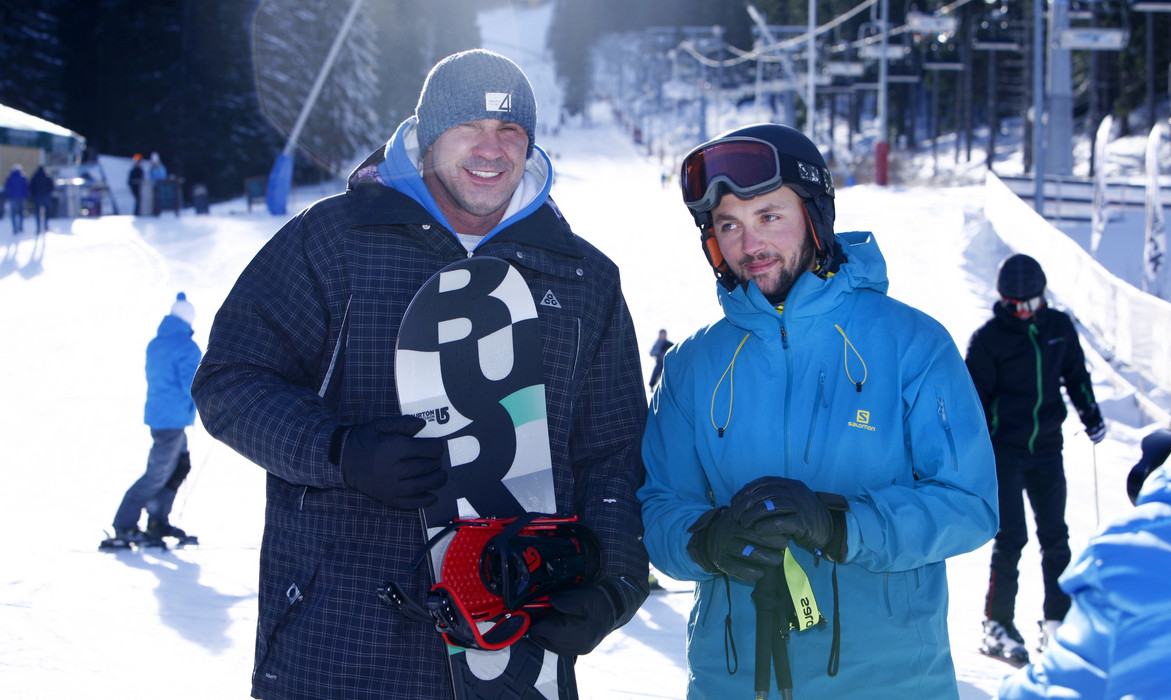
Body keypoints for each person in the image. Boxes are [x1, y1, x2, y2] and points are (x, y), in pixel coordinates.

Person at [191, 48, 649, 700]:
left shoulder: (582, 277)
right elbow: (231, 380)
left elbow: (614, 451)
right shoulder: (334, 240)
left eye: (510, 130)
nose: (491, 149)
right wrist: (339, 450)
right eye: (469, 127)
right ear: (430, 136)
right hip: (337, 643)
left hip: (511, 648)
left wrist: (613, 584)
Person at [638, 122, 999, 699]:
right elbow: (658, 508)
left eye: (769, 216)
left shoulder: (911, 344)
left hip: (890, 683)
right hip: (733, 681)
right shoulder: (692, 365)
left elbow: (970, 503)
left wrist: (843, 525)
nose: (749, 244)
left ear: (814, 215)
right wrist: (705, 539)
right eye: (729, 225)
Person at [965, 253, 1106, 665]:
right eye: (1015, 305)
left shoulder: (1058, 327)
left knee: (1055, 537)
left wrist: (1091, 415)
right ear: (1004, 300)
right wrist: (972, 450)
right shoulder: (989, 339)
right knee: (1011, 538)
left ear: (1043, 296)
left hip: (1046, 449)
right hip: (1005, 451)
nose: (1025, 311)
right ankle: (997, 624)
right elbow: (972, 402)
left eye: (1031, 303)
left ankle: (1057, 622)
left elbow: (1076, 376)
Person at [996, 424, 1171, 699]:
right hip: (1015, 449)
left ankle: (1047, 620)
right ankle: (1006, 619)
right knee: (1018, 538)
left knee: (1046, 539)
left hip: (1041, 451)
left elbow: (1062, 685)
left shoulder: (1139, 553)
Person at [105, 292, 203, 547]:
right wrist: (212, 402)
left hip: (162, 416)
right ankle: (124, 524)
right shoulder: (186, 347)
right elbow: (193, 385)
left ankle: (157, 521)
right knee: (158, 475)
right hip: (173, 419)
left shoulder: (157, 343)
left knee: (179, 466)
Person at [29, 166, 54, 235]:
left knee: (37, 213)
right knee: (47, 212)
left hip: (37, 197)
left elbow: (31, 187)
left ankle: (38, 227)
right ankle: (46, 225)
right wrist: (48, 193)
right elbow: (51, 186)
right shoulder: (47, 177)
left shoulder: (35, 177)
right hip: (45, 196)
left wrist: (33, 196)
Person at [5, 165, 29, 234]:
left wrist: (6, 197)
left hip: (12, 198)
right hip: (21, 198)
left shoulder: (10, 178)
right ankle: (20, 226)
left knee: (13, 213)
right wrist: (26, 197)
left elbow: (7, 188)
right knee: (21, 212)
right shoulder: (23, 178)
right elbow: (26, 188)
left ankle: (14, 228)